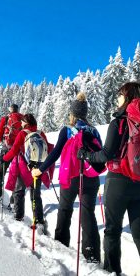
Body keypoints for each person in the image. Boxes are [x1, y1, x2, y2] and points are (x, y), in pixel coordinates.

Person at [77, 82, 140, 275]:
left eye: (120, 93)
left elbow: (107, 154)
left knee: (112, 231)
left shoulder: (119, 121)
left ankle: (112, 272)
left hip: (119, 182)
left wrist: (87, 155)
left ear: (127, 96)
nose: (117, 97)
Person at [32, 92, 102, 263]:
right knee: (88, 213)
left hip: (71, 176)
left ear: (72, 114)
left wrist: (40, 170)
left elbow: (55, 153)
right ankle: (91, 254)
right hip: (90, 177)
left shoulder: (68, 130)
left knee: (65, 210)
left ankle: (61, 245)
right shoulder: (94, 131)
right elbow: (101, 154)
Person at [3, 114, 48, 232]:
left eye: (22, 121)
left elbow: (14, 150)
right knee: (36, 194)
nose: (21, 123)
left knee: (19, 191)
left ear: (25, 123)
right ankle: (39, 220)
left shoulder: (22, 133)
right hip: (38, 168)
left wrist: (5, 158)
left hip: (24, 166)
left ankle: (18, 216)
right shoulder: (40, 133)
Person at [0, 104, 23, 200]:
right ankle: (14, 199)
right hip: (19, 150)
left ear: (10, 110)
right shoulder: (23, 118)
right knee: (17, 174)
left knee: (1, 171)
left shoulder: (5, 119)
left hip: (7, 148)